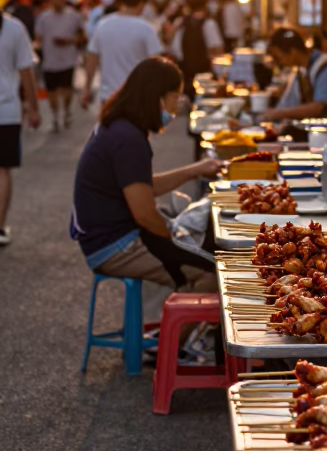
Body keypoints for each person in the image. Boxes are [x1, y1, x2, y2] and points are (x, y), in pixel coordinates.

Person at [72, 56, 220, 287]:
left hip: (106, 235)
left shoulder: (119, 126)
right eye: (174, 97)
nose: (176, 106)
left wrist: (195, 170)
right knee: (212, 274)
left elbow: (142, 187)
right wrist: (175, 240)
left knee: (194, 241)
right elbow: (144, 214)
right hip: (114, 245)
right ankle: (177, 323)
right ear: (157, 98)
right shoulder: (128, 139)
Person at [82, 0, 162, 106]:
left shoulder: (103, 25)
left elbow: (92, 58)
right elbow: (156, 64)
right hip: (137, 96)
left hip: (108, 96)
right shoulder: (147, 29)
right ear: (141, 3)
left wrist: (87, 88)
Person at [0, 6, 41, 246]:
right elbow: (27, 72)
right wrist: (33, 106)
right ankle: (0, 227)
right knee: (2, 170)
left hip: (8, 111)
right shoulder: (15, 28)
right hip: (6, 111)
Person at [262, 27, 327, 122]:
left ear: (293, 52)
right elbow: (290, 101)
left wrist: (281, 113)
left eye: (280, 58)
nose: (281, 63)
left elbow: (318, 107)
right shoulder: (301, 71)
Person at [35, 0, 85, 131]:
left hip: (67, 60)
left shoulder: (74, 16)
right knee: (51, 91)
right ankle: (55, 116)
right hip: (49, 61)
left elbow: (83, 36)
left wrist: (70, 40)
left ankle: (66, 111)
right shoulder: (44, 18)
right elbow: (39, 38)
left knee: (66, 88)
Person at [170, 0, 224, 100]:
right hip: (204, 73)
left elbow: (174, 48)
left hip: (184, 73)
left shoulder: (180, 22)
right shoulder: (209, 23)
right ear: (205, 7)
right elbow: (217, 48)